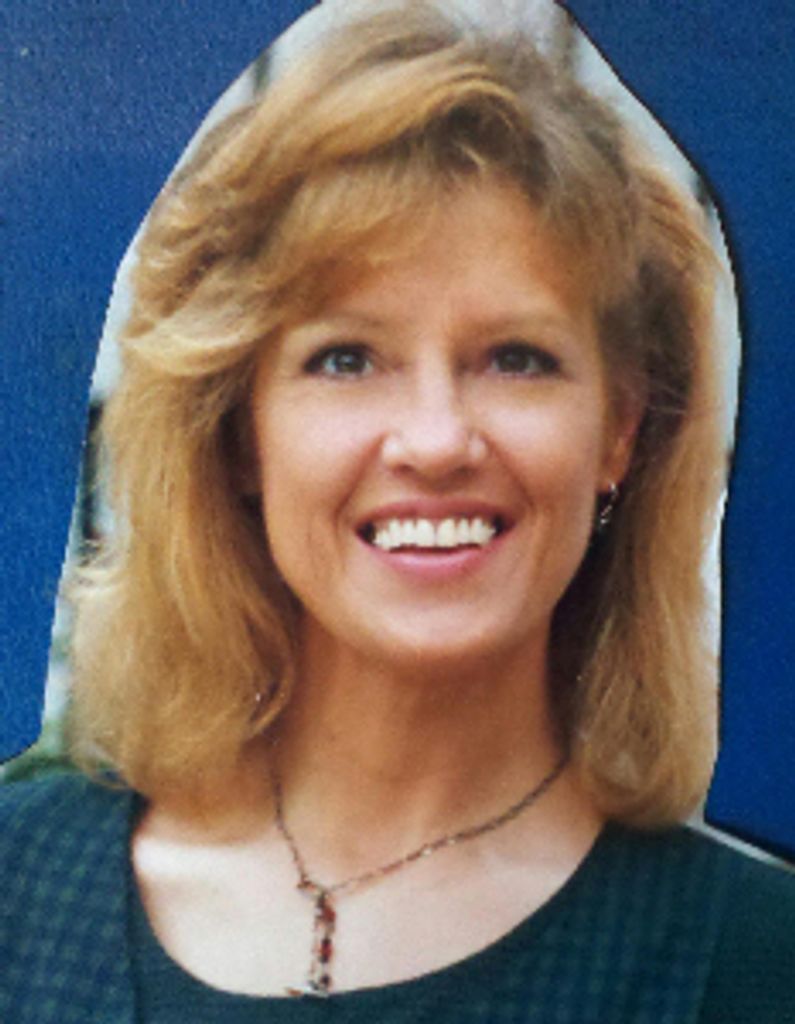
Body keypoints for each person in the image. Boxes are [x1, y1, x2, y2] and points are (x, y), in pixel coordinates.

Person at [1, 4, 792, 1021]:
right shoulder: (20, 887)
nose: (435, 439)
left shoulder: (756, 964)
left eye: (517, 359)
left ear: (619, 432)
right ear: (239, 435)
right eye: (346, 359)